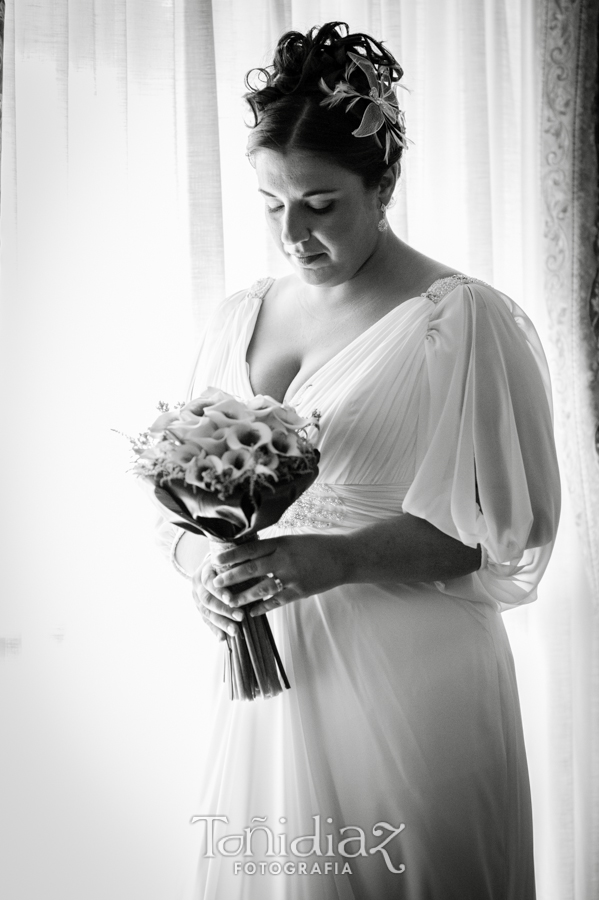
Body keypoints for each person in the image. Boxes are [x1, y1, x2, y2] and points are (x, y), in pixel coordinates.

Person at [159, 21, 560, 900]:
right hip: (275, 681)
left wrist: (333, 559)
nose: (291, 233)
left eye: (320, 203)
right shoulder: (242, 314)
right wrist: (205, 570)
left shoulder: (459, 320)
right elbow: (179, 510)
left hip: (410, 674)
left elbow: (494, 539)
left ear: (383, 185)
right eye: (271, 203)